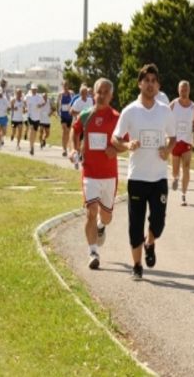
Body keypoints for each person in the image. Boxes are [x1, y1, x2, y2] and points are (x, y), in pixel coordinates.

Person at [111, 64, 176, 280]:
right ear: (140, 83)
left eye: (153, 80)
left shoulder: (165, 111)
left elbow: (173, 137)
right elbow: (115, 138)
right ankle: (137, 265)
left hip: (158, 177)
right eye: (146, 80)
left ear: (158, 85)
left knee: (158, 222)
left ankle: (150, 243)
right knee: (135, 224)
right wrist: (127, 146)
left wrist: (167, 149)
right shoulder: (130, 111)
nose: (150, 84)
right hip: (137, 176)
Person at [71, 78, 120, 270]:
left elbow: (126, 141)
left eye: (105, 92)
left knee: (106, 217)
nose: (101, 95)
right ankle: (92, 252)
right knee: (91, 211)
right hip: (90, 172)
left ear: (111, 96)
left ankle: (101, 226)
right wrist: (74, 150)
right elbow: (75, 133)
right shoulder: (85, 115)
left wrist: (117, 151)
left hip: (109, 175)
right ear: (93, 94)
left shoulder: (117, 117)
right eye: (98, 92)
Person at [169, 80, 194, 206]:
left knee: (186, 167)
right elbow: (165, 120)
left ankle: (183, 194)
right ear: (178, 90)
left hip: (187, 141)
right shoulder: (173, 105)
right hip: (175, 141)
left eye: (186, 89)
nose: (184, 91)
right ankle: (175, 178)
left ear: (189, 90)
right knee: (175, 170)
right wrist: (167, 137)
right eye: (182, 89)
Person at [24, 86, 45, 156]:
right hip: (30, 116)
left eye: (35, 89)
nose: (34, 90)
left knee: (35, 132)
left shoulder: (39, 96)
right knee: (31, 129)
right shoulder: (28, 96)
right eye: (33, 89)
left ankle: (32, 144)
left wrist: (40, 105)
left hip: (37, 117)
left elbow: (43, 103)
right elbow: (24, 102)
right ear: (31, 89)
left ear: (36, 89)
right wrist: (26, 108)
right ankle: (31, 147)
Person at [57, 82, 75, 156]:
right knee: (65, 131)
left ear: (68, 86)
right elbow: (57, 104)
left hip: (70, 116)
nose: (65, 87)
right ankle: (64, 149)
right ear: (62, 86)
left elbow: (74, 102)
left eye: (66, 85)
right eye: (64, 86)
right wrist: (58, 113)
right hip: (63, 115)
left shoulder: (71, 93)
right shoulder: (60, 94)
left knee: (68, 133)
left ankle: (67, 147)